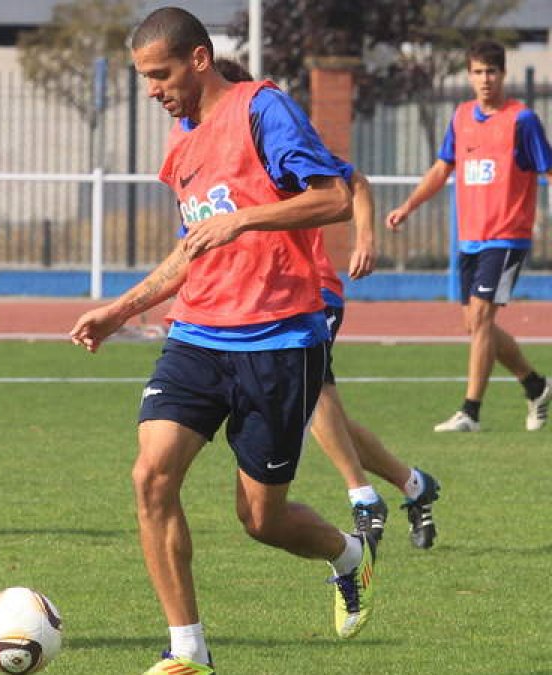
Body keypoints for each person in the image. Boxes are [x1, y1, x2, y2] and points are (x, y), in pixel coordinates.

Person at [70, 10, 374, 673]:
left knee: (261, 519)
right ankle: (189, 651)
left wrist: (245, 220)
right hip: (198, 337)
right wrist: (121, 310)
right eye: (144, 77)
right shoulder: (181, 143)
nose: (152, 89)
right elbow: (194, 247)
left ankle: (349, 555)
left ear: (199, 59)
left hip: (279, 341)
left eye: (160, 74)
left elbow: (332, 199)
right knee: (150, 476)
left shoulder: (264, 110)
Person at [216, 57, 444, 549]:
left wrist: (365, 238)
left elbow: (352, 182)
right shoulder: (213, 157)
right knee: (323, 409)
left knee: (315, 398)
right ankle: (413, 484)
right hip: (260, 303)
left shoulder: (273, 136)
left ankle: (362, 497)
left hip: (310, 291)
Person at [386, 39, 552, 433]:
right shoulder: (461, 117)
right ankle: (536, 384)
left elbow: (547, 169)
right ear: (469, 75)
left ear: (503, 74)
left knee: (480, 319)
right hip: (470, 237)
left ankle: (470, 412)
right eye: (477, 72)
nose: (485, 79)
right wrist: (408, 206)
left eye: (491, 71)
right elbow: (442, 169)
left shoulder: (522, 120)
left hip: (507, 236)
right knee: (477, 326)